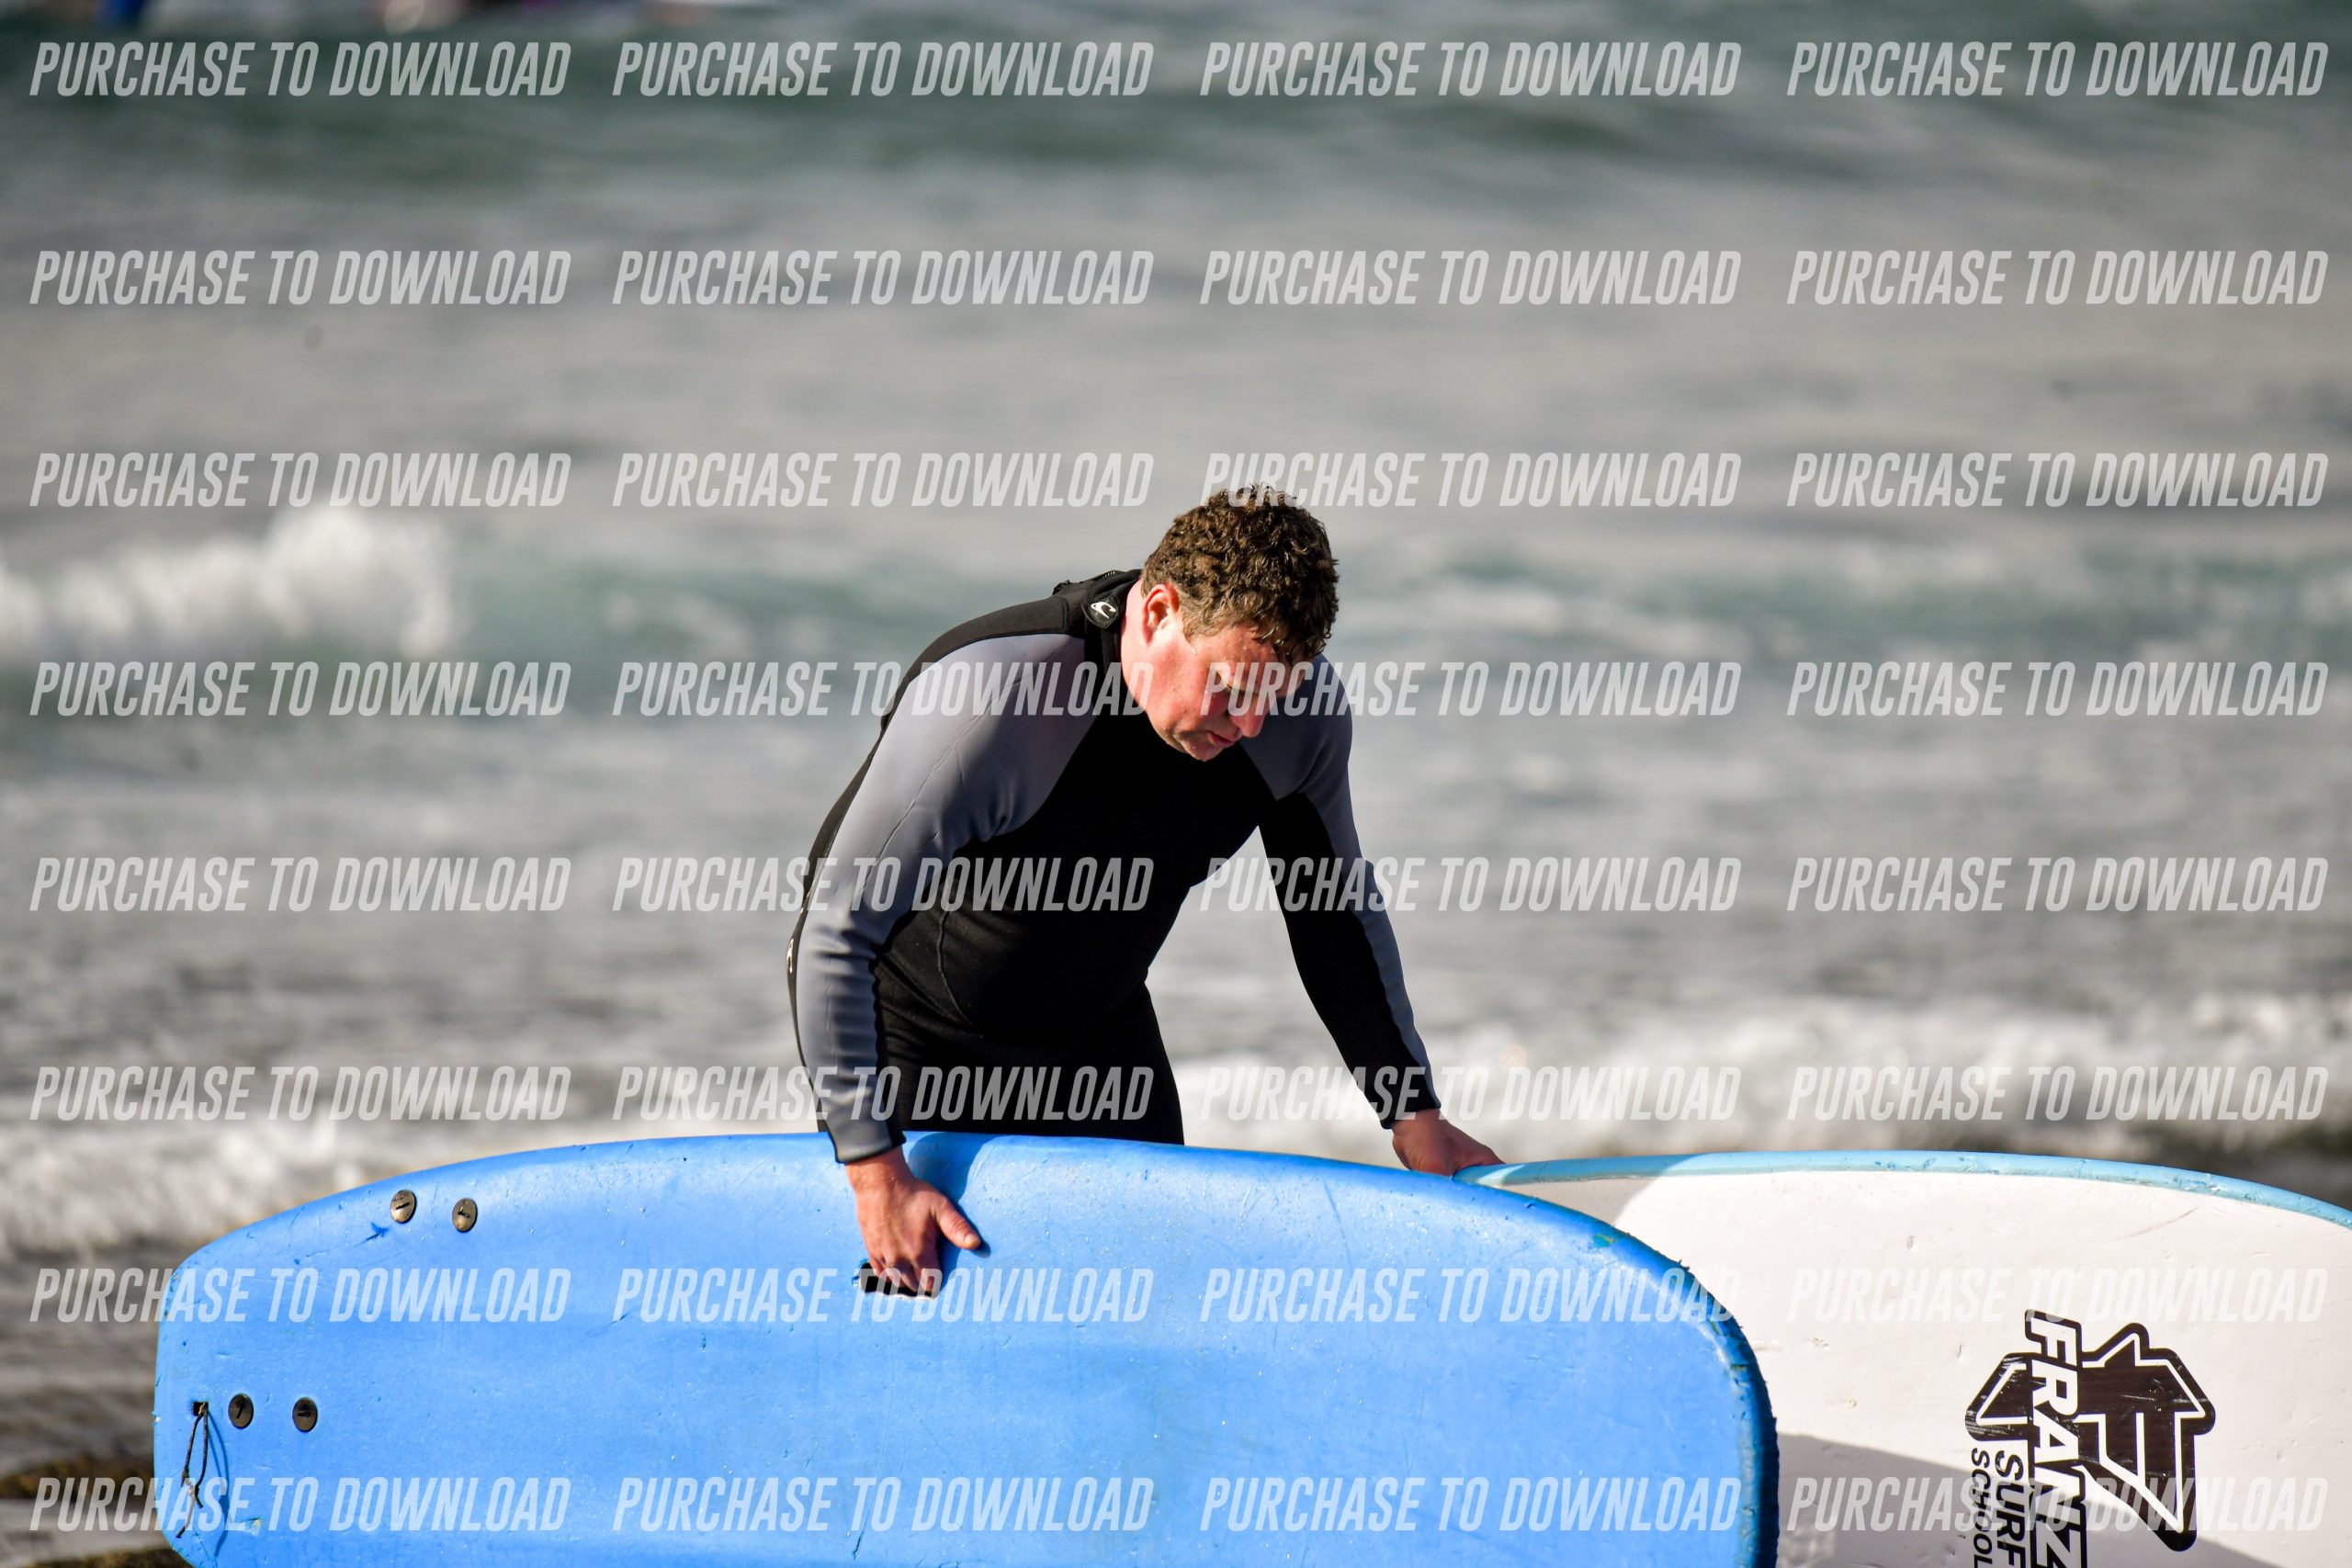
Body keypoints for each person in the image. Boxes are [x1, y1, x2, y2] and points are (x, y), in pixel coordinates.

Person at [788, 488, 1498, 1292]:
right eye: (1231, 687)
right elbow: (832, 929)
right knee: (923, 1323)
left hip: (1098, 1047)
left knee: (1154, 1305)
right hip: (920, 1043)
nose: (1250, 724)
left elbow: (1329, 916)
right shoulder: (996, 697)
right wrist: (873, 1167)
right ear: (1158, 612)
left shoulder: (1300, 720)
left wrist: (1414, 1113)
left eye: (1272, 695)